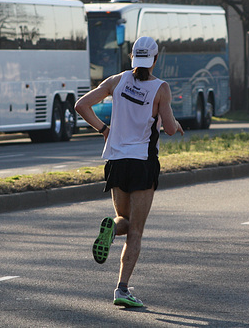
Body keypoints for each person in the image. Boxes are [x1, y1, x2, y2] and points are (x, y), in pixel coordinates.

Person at [75, 36, 184, 307]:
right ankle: (122, 289)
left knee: (122, 218)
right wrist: (172, 121)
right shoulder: (161, 88)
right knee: (136, 230)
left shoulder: (116, 81)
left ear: (132, 58)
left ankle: (111, 227)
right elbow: (169, 129)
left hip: (115, 161)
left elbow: (81, 105)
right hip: (143, 163)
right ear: (156, 59)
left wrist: (104, 129)